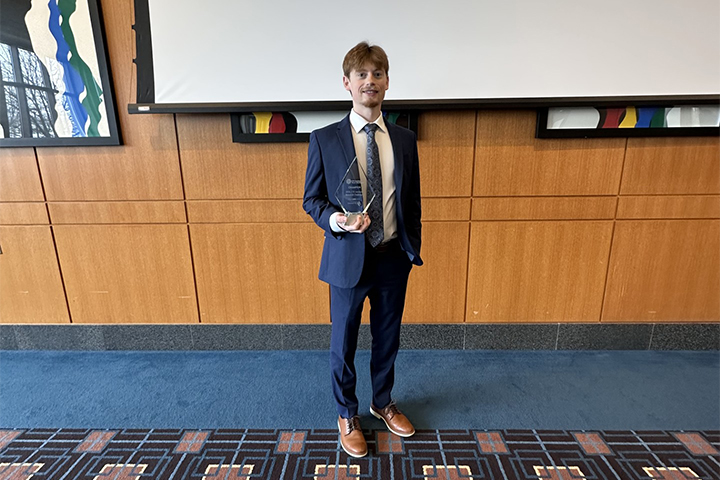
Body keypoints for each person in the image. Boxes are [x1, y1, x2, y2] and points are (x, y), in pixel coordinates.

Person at [302, 41, 423, 458]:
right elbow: (312, 200)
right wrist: (338, 221)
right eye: (361, 75)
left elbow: (412, 201)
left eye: (377, 74)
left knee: (388, 337)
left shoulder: (405, 140)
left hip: (392, 257)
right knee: (345, 341)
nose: (370, 81)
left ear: (387, 82)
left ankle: (383, 401)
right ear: (347, 84)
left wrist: (412, 248)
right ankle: (346, 413)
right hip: (347, 257)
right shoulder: (324, 139)